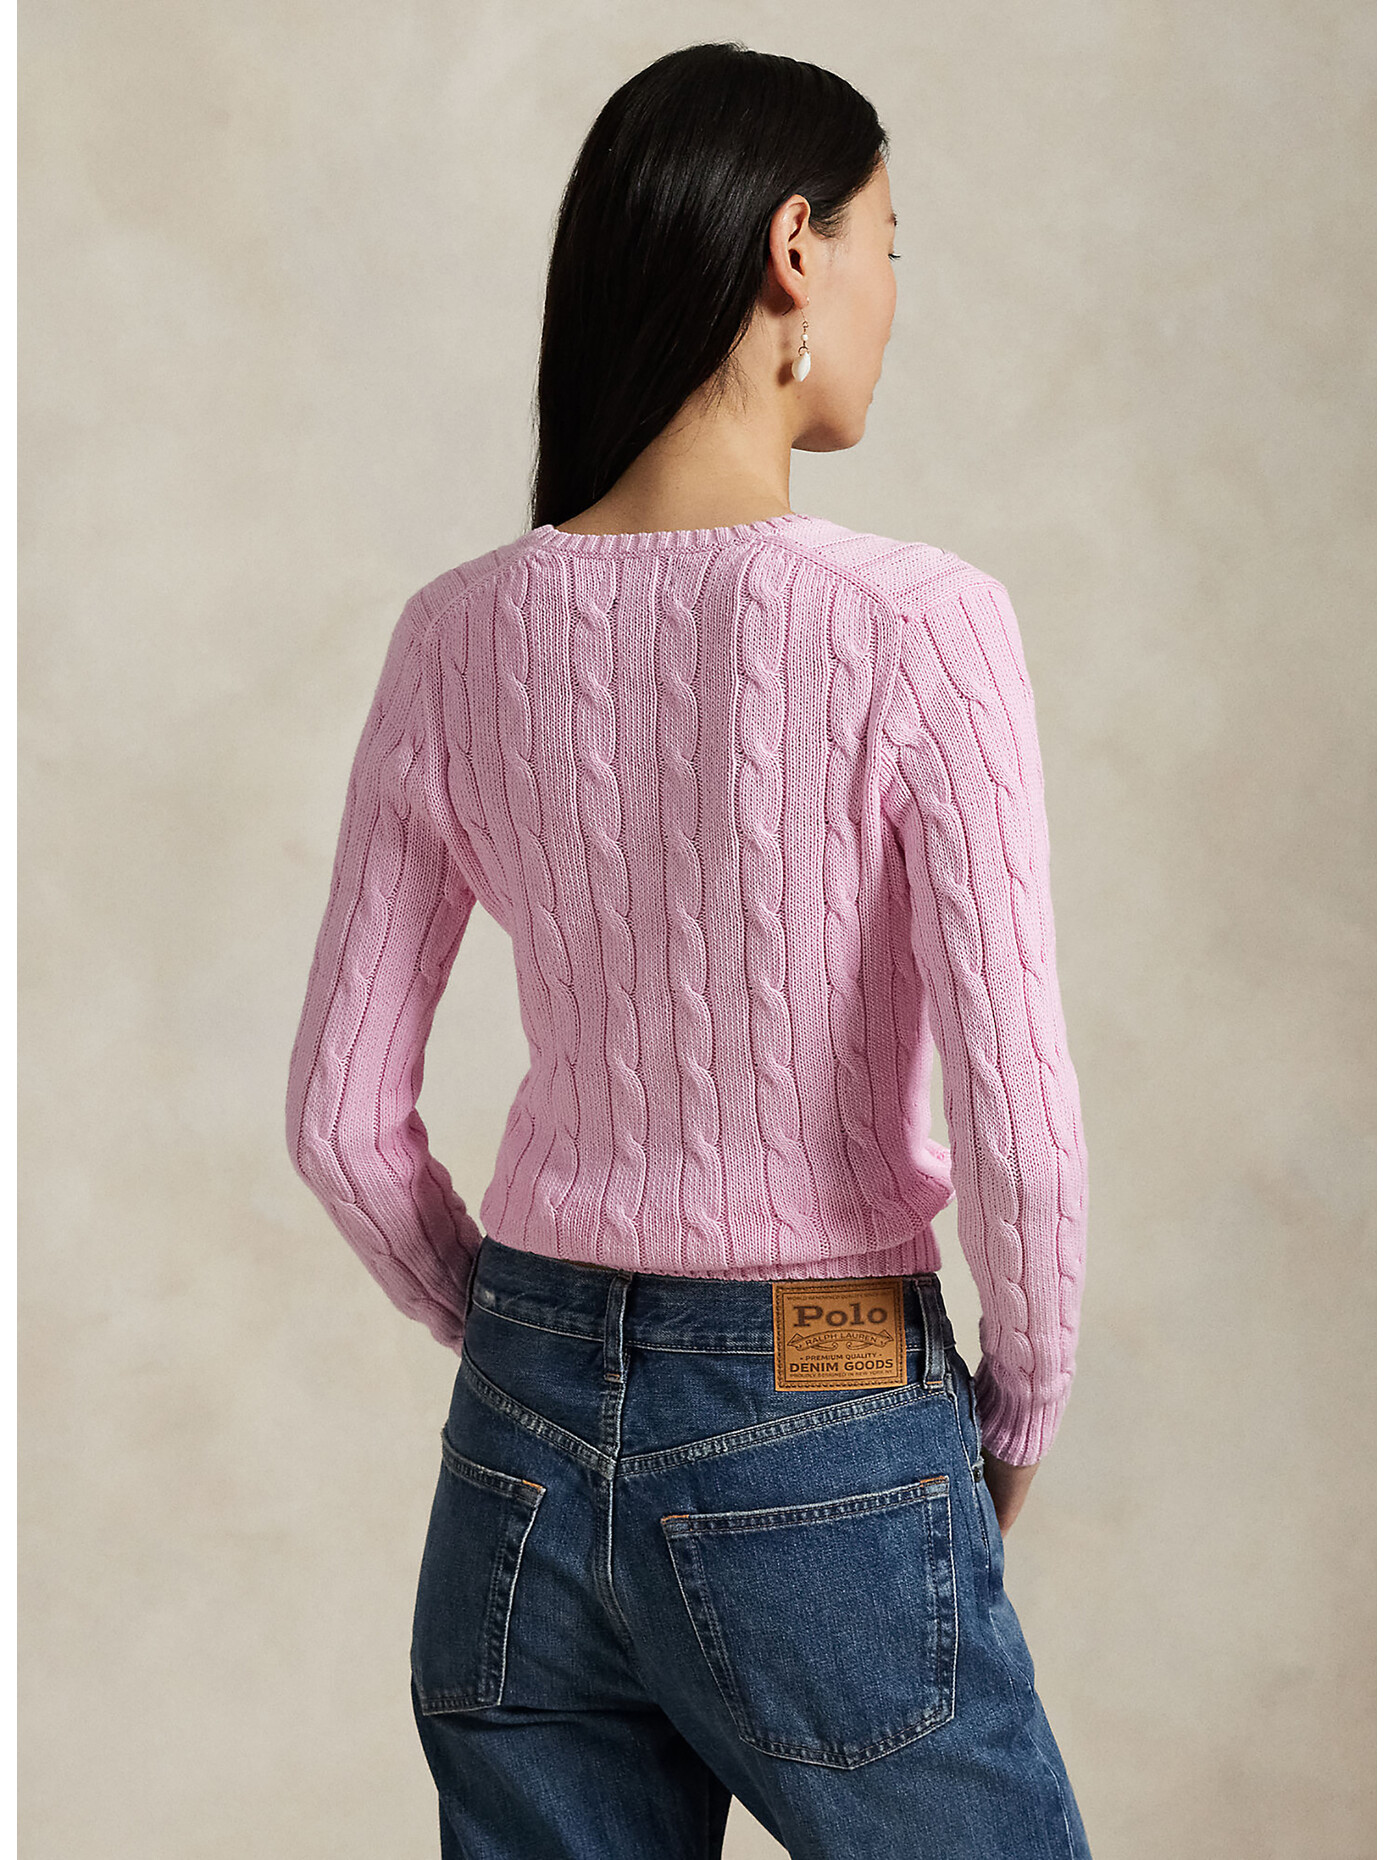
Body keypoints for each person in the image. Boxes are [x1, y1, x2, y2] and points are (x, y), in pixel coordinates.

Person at [286, 40, 1092, 1860]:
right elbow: (1022, 1120)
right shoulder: (922, 627)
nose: (895, 293)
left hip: (517, 1441)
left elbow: (338, 1121)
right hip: (823, 1371)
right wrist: (1019, 1408)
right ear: (796, 251)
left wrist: (528, 1337)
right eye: (891, 242)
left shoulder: (454, 638)